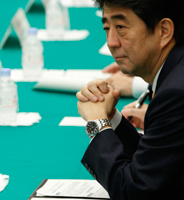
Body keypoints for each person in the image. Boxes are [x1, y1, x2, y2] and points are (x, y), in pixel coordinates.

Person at [75, 0, 184, 199]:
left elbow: (133, 191)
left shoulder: (176, 93)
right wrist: (111, 118)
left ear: (164, 31)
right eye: (107, 28)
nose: (111, 42)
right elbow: (159, 158)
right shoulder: (174, 71)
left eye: (120, 27)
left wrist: (97, 124)